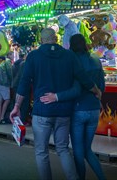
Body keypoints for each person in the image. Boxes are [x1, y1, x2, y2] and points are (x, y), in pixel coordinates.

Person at [10, 27, 102, 180]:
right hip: (64, 113)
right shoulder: (69, 56)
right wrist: (96, 89)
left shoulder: (33, 56)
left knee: (41, 151)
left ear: (41, 40)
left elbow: (24, 83)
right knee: (63, 149)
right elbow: (82, 77)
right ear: (56, 38)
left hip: (42, 112)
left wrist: (17, 107)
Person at [40, 34, 106, 180]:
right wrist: (97, 94)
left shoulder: (71, 60)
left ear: (70, 45)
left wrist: (57, 96)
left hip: (78, 108)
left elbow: (75, 88)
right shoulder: (95, 59)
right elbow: (102, 85)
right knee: (87, 149)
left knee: (78, 150)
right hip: (94, 109)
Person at [11, 47, 30, 124]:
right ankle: (21, 121)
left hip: (15, 85)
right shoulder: (25, 64)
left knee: (17, 103)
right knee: (24, 103)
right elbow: (24, 77)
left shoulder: (15, 64)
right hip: (22, 86)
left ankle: (16, 120)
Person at [0, 52, 13, 124]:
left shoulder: (2, 63)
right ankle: (2, 117)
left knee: (0, 101)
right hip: (4, 83)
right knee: (7, 100)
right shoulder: (8, 62)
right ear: (9, 55)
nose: (13, 56)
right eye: (12, 55)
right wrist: (12, 82)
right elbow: (10, 73)